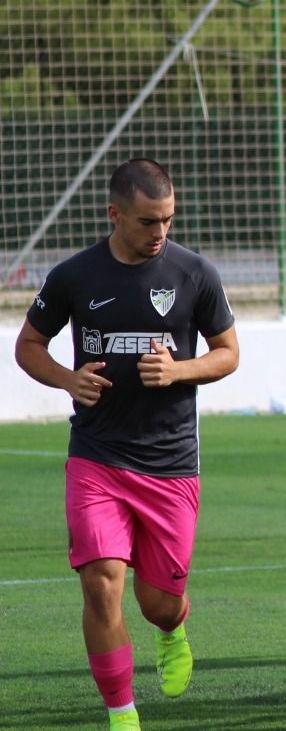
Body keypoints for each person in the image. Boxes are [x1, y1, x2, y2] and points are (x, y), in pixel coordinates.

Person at [15, 159, 239, 731]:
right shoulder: (74, 276)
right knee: (100, 584)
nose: (159, 233)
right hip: (97, 457)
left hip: (170, 464)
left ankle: (173, 629)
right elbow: (30, 346)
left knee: (156, 602)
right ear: (115, 214)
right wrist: (67, 379)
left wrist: (181, 370)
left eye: (167, 220)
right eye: (147, 222)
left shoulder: (194, 273)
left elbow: (228, 352)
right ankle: (121, 713)